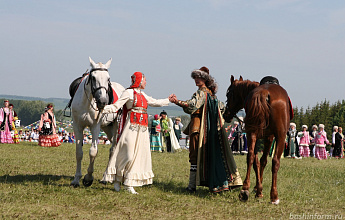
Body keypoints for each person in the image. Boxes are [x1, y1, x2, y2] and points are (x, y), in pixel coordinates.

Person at [170, 66, 242, 193]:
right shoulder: (213, 95)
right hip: (210, 132)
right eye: (196, 78)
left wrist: (177, 102)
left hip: (197, 128)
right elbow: (223, 110)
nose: (197, 80)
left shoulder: (201, 93)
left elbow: (192, 105)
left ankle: (191, 186)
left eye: (200, 77)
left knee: (193, 157)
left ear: (205, 79)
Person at [101, 71, 173, 194]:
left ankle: (129, 183)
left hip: (142, 130)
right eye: (144, 80)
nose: (146, 82)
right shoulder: (128, 93)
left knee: (137, 156)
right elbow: (116, 106)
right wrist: (102, 109)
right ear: (139, 80)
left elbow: (154, 102)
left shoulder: (143, 95)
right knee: (128, 154)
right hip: (130, 128)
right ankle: (117, 179)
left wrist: (168, 100)